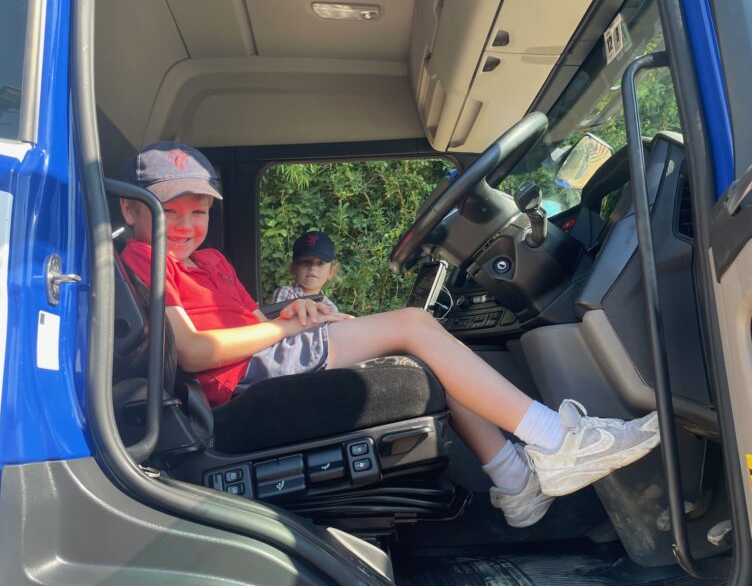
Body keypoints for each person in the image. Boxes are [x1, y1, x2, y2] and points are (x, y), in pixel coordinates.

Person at [120, 142, 661, 528]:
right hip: (242, 379)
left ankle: (515, 482)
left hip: (265, 353)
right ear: (131, 209)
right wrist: (279, 327)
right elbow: (191, 351)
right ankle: (558, 443)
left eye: (199, 211)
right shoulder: (142, 256)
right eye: (170, 211)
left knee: (431, 352)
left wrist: (299, 314)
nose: (187, 226)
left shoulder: (207, 259)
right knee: (414, 325)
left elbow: (243, 318)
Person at [272, 230, 339, 312]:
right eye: (306, 262)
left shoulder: (331, 307)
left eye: (320, 263)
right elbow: (277, 323)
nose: (313, 267)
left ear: (331, 272)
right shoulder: (286, 292)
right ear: (294, 268)